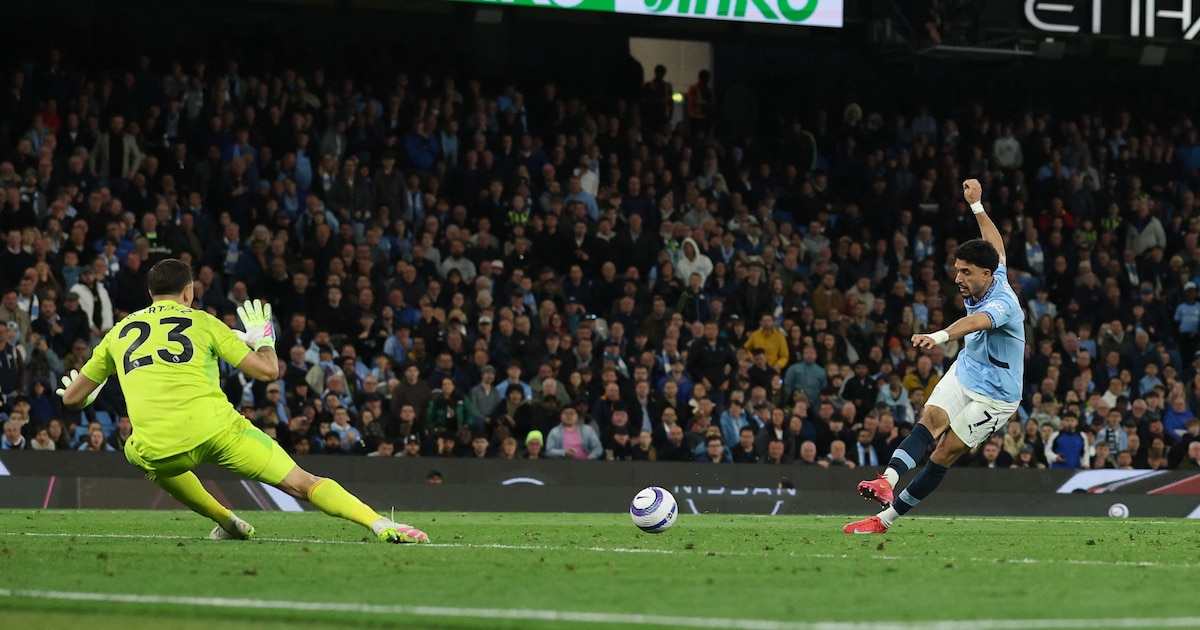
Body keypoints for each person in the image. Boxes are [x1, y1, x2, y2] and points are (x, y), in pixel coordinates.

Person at [57, 259, 427, 544]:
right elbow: (268, 372)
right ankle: (379, 523)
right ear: (188, 292)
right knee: (303, 482)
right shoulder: (204, 322)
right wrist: (264, 340)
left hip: (160, 446)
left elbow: (72, 400)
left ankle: (226, 521)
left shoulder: (118, 332)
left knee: (134, 450)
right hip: (220, 433)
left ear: (150, 292)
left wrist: (89, 394)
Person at [845, 180, 1024, 534]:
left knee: (944, 451)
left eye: (965, 272)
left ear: (985, 274)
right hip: (968, 371)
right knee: (930, 419)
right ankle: (886, 481)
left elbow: (974, 322)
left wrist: (938, 336)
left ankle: (884, 520)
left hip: (996, 396)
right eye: (957, 269)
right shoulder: (994, 270)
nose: (957, 278)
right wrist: (976, 205)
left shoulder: (1003, 303)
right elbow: (996, 245)